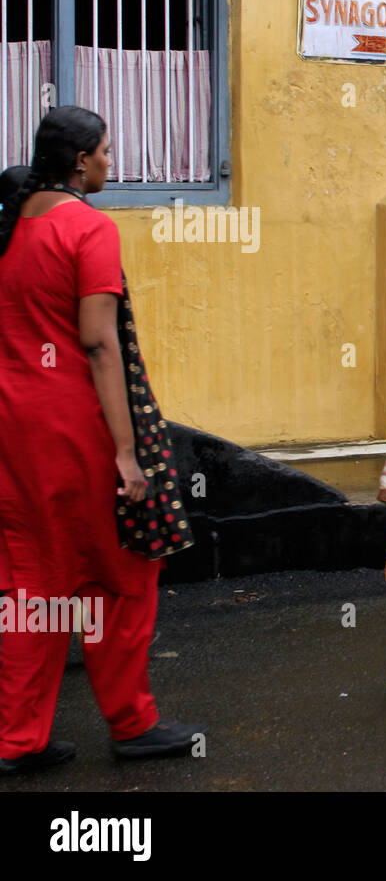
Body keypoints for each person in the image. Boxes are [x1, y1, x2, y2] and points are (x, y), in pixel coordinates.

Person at [0, 106, 202, 774]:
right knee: (125, 572)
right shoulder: (88, 229)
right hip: (75, 429)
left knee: (35, 584)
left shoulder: (11, 227)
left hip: (14, 429)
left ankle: (18, 738)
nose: (112, 164)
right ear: (79, 160)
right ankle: (131, 721)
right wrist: (125, 451)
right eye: (107, 153)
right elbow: (97, 343)